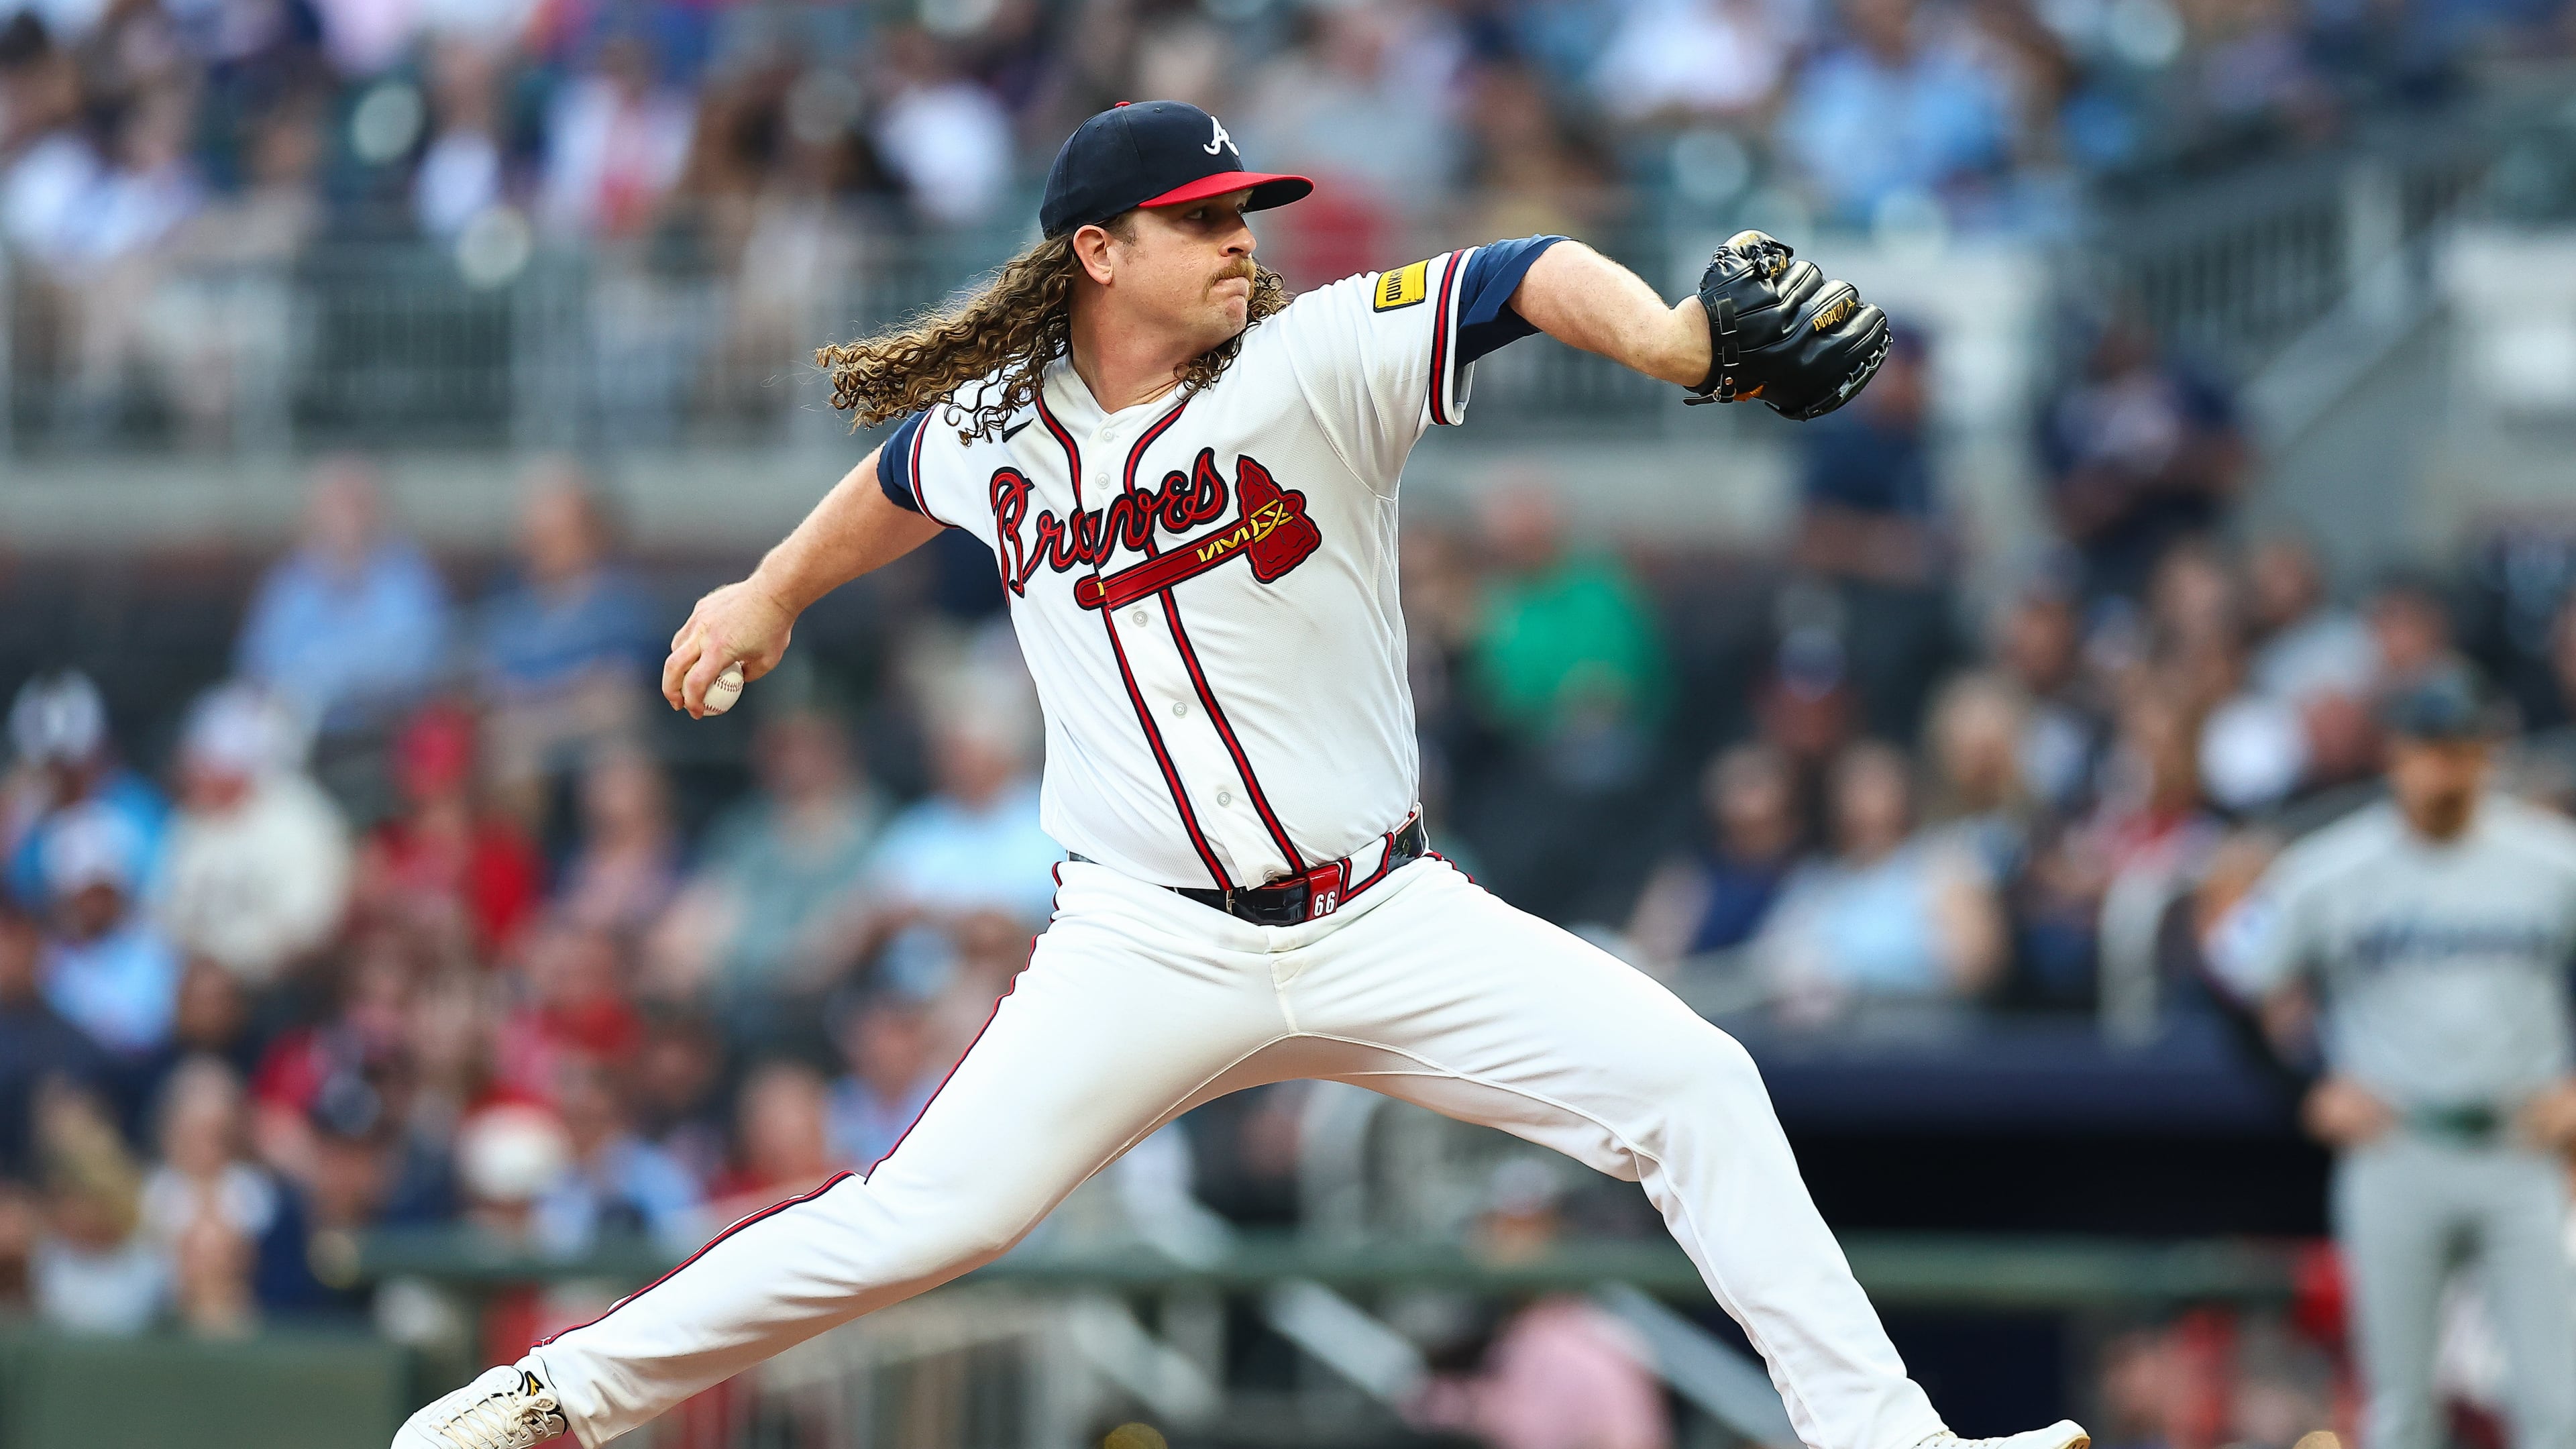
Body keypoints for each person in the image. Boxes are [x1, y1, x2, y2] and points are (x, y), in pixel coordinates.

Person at [393, 99, 2084, 1449]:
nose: (1234, 242)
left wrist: (1662, 339)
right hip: (1145, 946)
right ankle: (545, 1399)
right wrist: (765, 589)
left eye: (1239, 214)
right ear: (1096, 252)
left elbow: (1514, 267)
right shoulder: (1002, 426)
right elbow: (896, 477)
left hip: (1383, 912)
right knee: (920, 1217)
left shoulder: (1308, 361)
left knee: (1697, 1083)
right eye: (1199, 222)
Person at [2210, 671, 2576, 1449]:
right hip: (2397, 1147)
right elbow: (2229, 978)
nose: (2444, 770)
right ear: (2394, 755)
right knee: (2400, 1412)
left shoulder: (2550, 861)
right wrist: (2302, 1090)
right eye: (2428, 751)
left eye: (2461, 752)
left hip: (2519, 1148)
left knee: (2557, 1408)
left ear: (2487, 756)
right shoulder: (2331, 867)